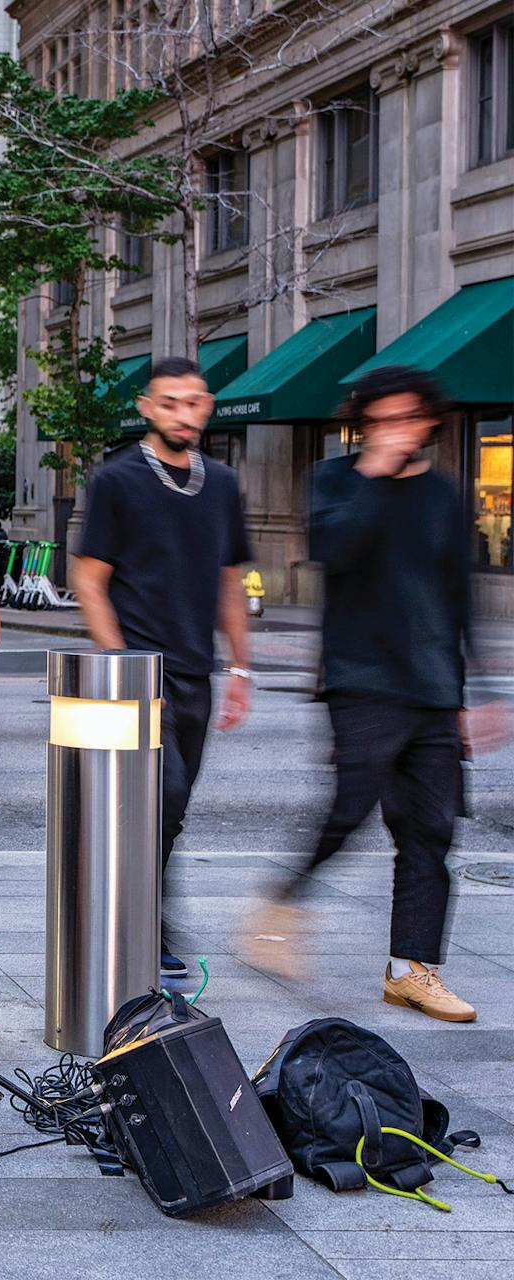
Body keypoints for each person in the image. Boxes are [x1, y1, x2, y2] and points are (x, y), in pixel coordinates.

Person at [253, 368, 506, 1021]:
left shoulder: (444, 494)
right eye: (383, 419)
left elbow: (461, 592)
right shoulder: (336, 481)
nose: (397, 431)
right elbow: (333, 551)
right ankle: (283, 903)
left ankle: (412, 970)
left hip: (433, 685)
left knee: (431, 830)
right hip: (361, 678)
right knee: (351, 805)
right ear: (364, 422)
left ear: (429, 421)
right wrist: (372, 473)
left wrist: (477, 688)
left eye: (408, 418)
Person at [73, 355, 253, 982]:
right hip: (140, 672)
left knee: (171, 810)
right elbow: (89, 579)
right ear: (147, 407)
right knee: (163, 792)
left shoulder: (223, 485)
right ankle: (145, 925)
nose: (185, 414)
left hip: (196, 673)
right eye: (170, 402)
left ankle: (142, 914)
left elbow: (230, 579)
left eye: (195, 402)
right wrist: (120, 666)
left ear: (207, 407)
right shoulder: (117, 481)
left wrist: (241, 668)